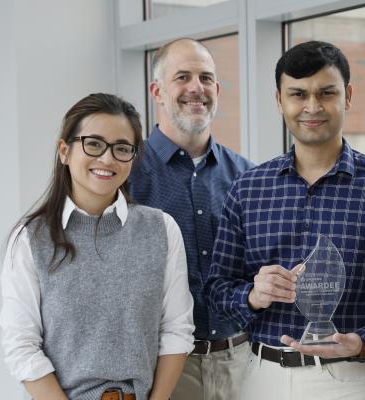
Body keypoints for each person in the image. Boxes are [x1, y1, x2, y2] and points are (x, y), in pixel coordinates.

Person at [204, 40, 365, 400]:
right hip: (262, 378)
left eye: (326, 93)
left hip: (354, 379)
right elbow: (216, 288)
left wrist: (364, 342)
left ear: (347, 96)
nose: (312, 107)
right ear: (279, 101)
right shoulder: (248, 188)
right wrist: (253, 295)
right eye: (298, 94)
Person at [0, 93, 195, 400]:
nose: (107, 159)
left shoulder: (162, 229)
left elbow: (176, 331)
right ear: (64, 151)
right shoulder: (30, 238)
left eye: (121, 149)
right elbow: (21, 345)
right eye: (93, 144)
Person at [128, 38, 254, 400]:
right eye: (182, 77)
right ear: (157, 91)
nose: (196, 88)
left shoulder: (248, 176)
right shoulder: (127, 176)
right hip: (164, 369)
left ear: (216, 89)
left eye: (206, 78)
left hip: (242, 363)